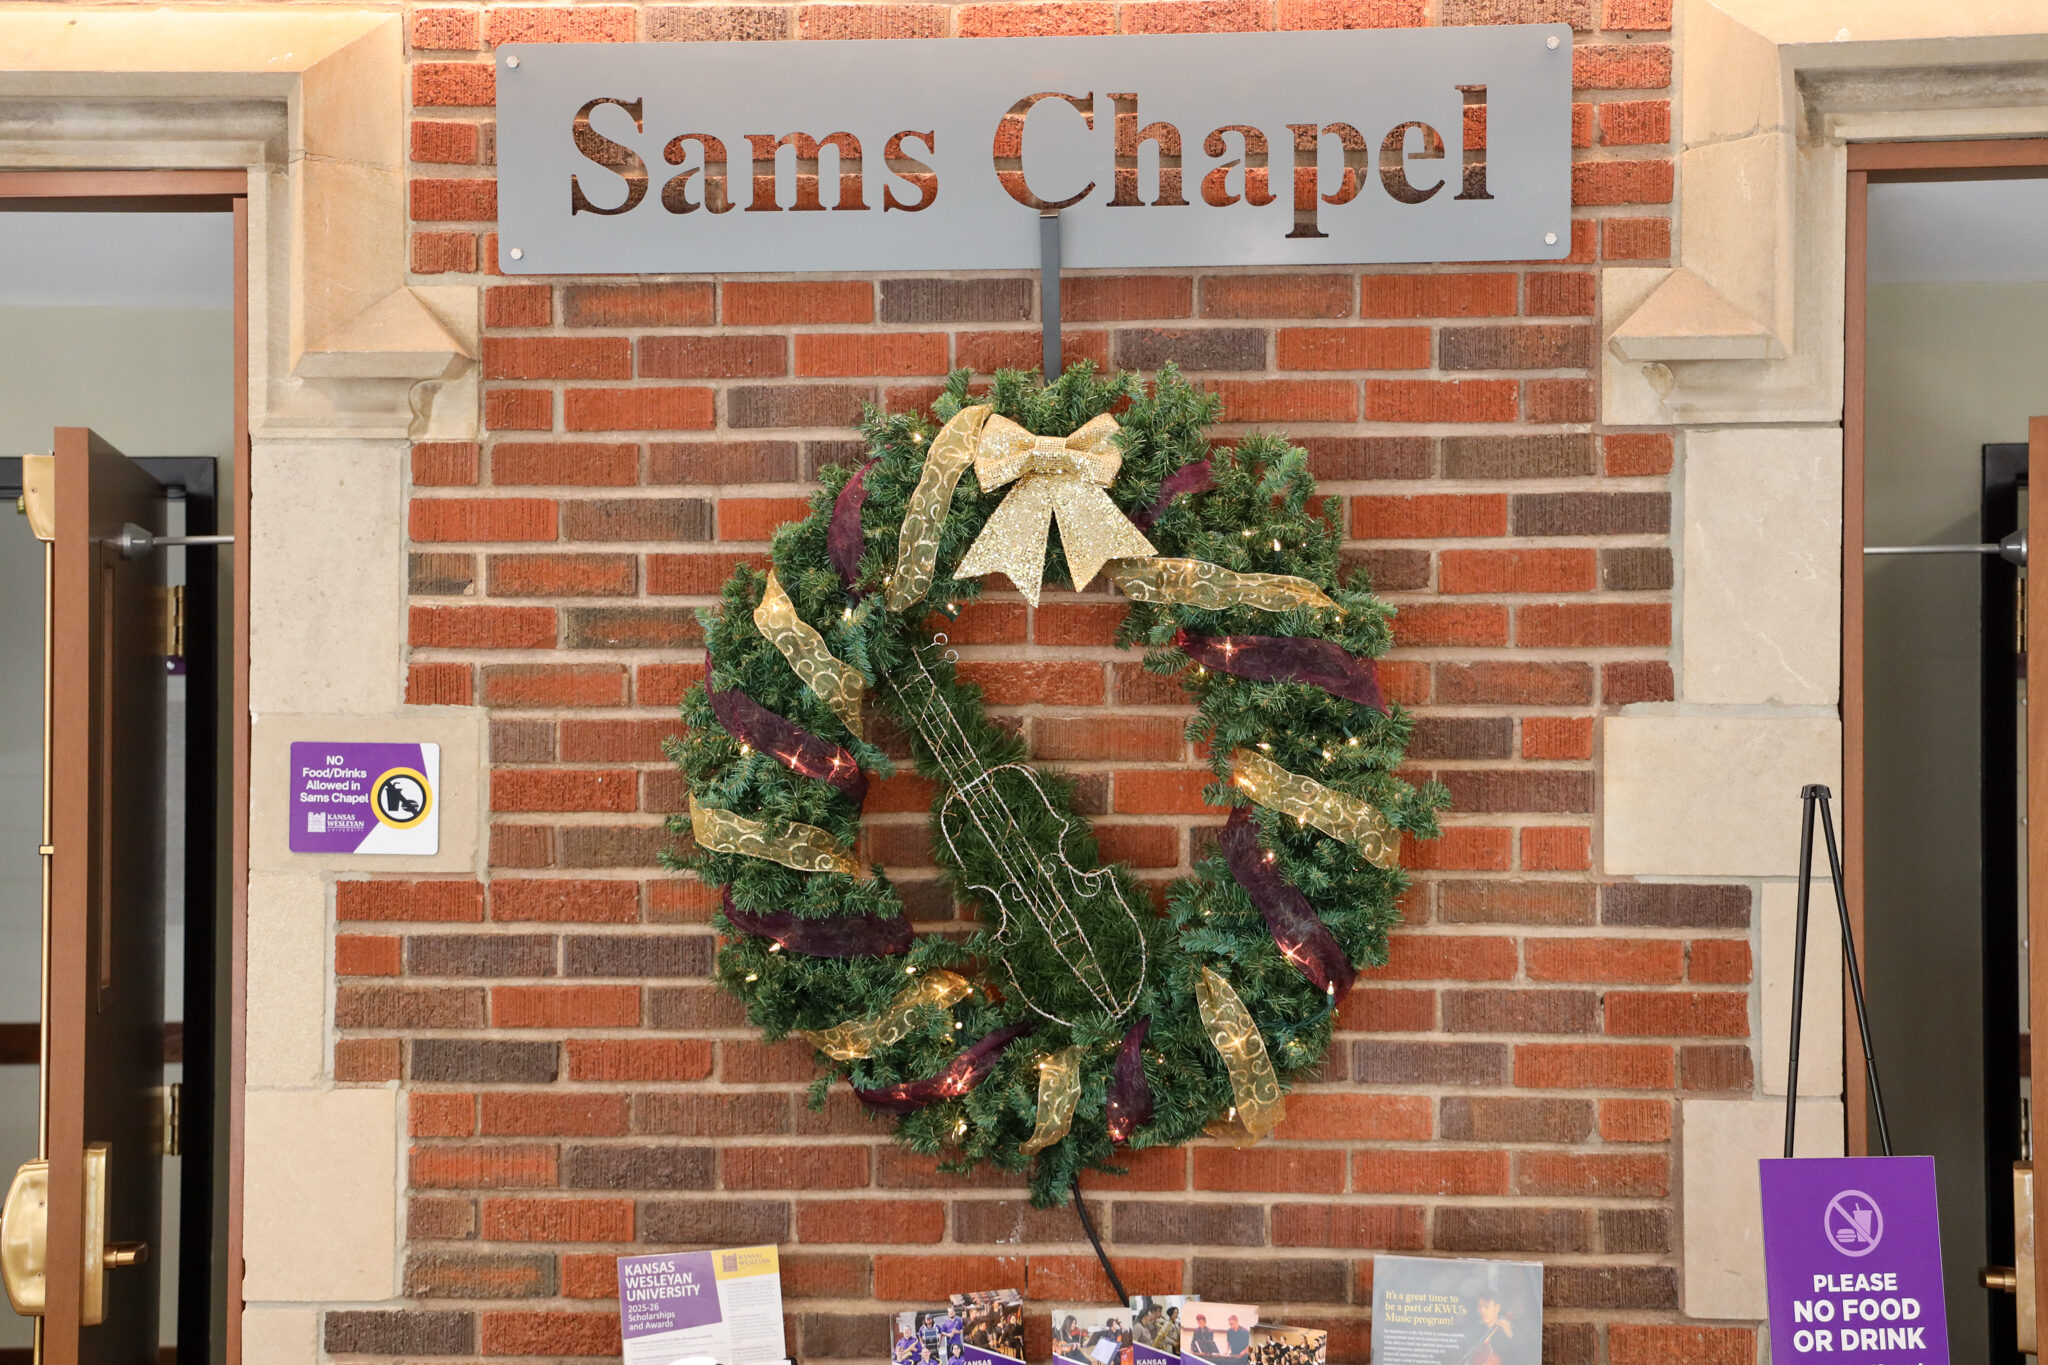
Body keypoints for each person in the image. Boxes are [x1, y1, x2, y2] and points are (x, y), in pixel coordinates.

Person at [1456, 1297, 1517, 1365]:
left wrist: (1510, 1336)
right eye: (1479, 1307)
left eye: (1486, 1306)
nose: (1482, 1310)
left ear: (1497, 1308)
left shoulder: (1506, 1332)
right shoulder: (1476, 1331)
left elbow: (1516, 1358)